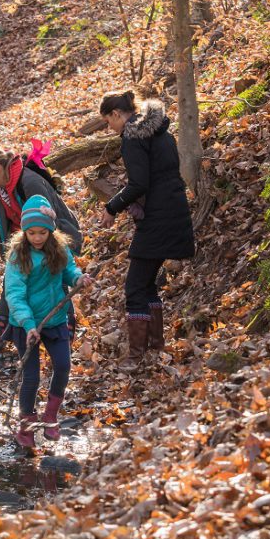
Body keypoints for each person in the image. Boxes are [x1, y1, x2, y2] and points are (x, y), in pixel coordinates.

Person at [0, 147, 83, 351]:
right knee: (12, 287)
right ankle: (5, 338)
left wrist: (51, 247)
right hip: (22, 244)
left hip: (50, 238)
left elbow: (48, 218)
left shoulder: (29, 181)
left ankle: (61, 339)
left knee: (54, 283)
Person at [98, 91, 195, 363]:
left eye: (108, 121)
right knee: (148, 284)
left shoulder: (133, 137)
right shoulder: (159, 131)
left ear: (117, 114)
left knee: (135, 288)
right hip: (173, 211)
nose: (110, 128)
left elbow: (139, 183)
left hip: (157, 218)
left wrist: (111, 207)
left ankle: (136, 356)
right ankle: (155, 346)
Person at [5, 195, 92, 452]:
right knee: (31, 377)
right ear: (24, 232)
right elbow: (15, 294)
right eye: (31, 233)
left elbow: (70, 271)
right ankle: (26, 426)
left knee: (63, 365)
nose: (37, 238)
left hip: (55, 319)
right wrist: (28, 324)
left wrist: (78, 279)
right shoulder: (17, 256)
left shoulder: (59, 249)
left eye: (42, 232)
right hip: (26, 324)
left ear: (51, 231)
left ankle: (51, 416)